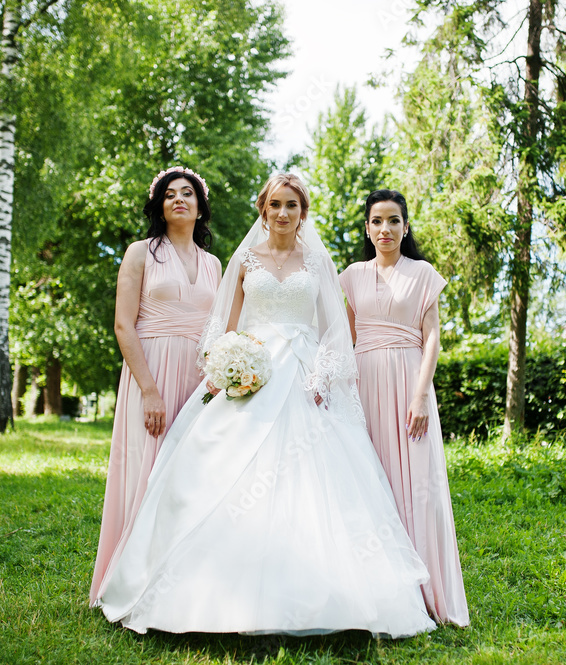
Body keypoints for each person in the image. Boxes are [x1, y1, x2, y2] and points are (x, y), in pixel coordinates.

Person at [95, 174, 435, 638]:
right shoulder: (243, 259)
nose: (282, 213)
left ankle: (332, 596)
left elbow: (336, 328)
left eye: (291, 205)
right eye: (274, 204)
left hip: (304, 375)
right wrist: (227, 367)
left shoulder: (317, 262)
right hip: (253, 371)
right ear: (263, 209)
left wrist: (321, 373)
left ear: (303, 212)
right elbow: (222, 326)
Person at [89, 167, 222, 606]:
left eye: (188, 193)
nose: (179, 200)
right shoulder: (140, 253)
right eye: (170, 195)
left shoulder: (213, 264)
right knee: (147, 472)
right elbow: (124, 325)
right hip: (152, 369)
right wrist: (148, 389)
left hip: (197, 378)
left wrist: (218, 375)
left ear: (200, 206)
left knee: (190, 475)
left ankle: (181, 585)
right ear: (159, 206)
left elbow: (219, 329)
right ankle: (131, 581)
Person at [339, 189, 469, 626]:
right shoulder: (353, 275)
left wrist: (419, 394)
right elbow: (351, 339)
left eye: (394, 221)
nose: (385, 229)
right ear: (367, 229)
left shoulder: (423, 273)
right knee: (371, 482)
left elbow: (432, 338)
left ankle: (430, 595)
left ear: (405, 226)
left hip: (411, 380)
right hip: (365, 383)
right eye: (377, 221)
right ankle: (382, 593)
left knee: (419, 487)